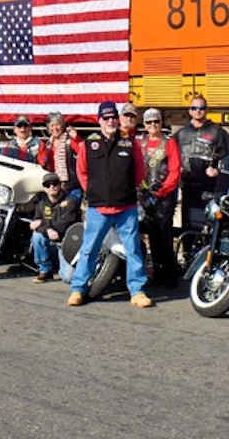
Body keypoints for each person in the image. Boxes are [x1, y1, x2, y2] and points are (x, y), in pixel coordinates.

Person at [69, 101, 152, 308]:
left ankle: (137, 290)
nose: (111, 121)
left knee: (133, 249)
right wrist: (95, 191)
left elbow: (139, 173)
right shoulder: (87, 144)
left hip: (126, 207)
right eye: (106, 118)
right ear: (99, 121)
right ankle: (78, 289)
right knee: (90, 248)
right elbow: (82, 172)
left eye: (114, 117)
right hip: (99, 208)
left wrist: (122, 188)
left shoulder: (130, 144)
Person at [173, 96, 229, 225]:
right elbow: (170, 156)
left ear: (207, 110)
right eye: (194, 108)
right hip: (188, 187)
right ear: (189, 111)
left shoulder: (218, 132)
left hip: (211, 188)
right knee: (189, 226)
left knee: (209, 227)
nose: (198, 111)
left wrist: (218, 170)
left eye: (201, 108)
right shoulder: (181, 134)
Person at [139, 107, 182, 286]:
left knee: (165, 233)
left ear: (161, 123)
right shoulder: (140, 144)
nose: (153, 125)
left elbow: (175, 169)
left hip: (164, 195)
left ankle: (170, 272)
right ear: (144, 124)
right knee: (152, 234)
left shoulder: (169, 142)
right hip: (146, 194)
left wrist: (164, 190)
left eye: (156, 121)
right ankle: (157, 271)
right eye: (149, 122)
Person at [30, 172, 81, 283]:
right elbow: (35, 225)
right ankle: (45, 270)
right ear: (44, 188)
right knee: (37, 236)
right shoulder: (41, 204)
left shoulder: (70, 202)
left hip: (66, 242)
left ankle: (61, 265)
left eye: (55, 184)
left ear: (60, 185)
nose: (51, 187)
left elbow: (63, 225)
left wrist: (44, 223)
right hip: (50, 239)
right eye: (48, 185)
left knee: (68, 278)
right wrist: (47, 229)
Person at [45, 112, 83, 202]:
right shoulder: (47, 145)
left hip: (71, 187)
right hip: (53, 188)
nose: (55, 128)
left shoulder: (70, 140)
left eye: (57, 124)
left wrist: (76, 139)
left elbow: (82, 153)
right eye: (52, 125)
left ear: (62, 125)